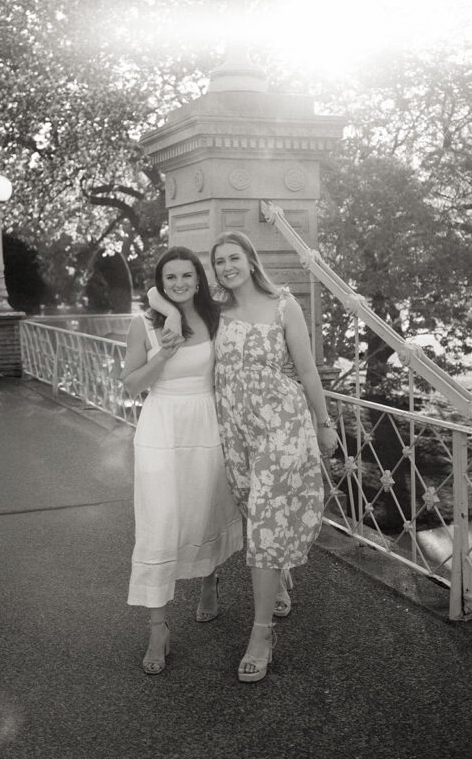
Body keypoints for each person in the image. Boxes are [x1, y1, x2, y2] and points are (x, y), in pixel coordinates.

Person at [210, 231, 338, 683]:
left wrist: (324, 422)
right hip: (234, 426)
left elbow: (305, 368)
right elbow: (161, 297)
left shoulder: (285, 304)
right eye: (220, 261)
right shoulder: (215, 311)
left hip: (282, 424)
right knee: (252, 507)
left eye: (234, 258)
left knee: (264, 519)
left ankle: (260, 634)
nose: (228, 267)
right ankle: (278, 577)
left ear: (250, 258)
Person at [122, 246, 243, 675]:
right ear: (161, 281)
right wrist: (164, 352)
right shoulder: (144, 324)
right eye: (169, 278)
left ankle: (210, 579)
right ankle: (158, 628)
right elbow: (133, 386)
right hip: (161, 427)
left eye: (186, 276)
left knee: (206, 508)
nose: (179, 284)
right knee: (159, 521)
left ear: (198, 279)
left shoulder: (216, 318)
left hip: (207, 423)